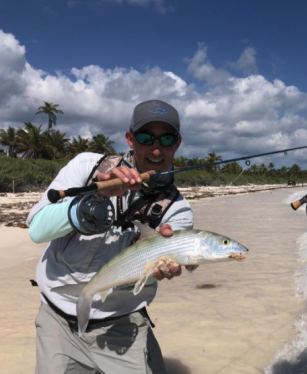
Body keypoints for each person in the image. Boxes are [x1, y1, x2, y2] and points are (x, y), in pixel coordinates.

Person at [27, 100, 193, 374]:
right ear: (130, 138)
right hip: (56, 323)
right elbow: (37, 230)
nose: (155, 148)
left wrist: (159, 263)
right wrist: (97, 196)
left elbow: (153, 262)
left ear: (177, 143)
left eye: (166, 138)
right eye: (145, 137)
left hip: (124, 326)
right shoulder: (86, 166)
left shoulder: (178, 210)